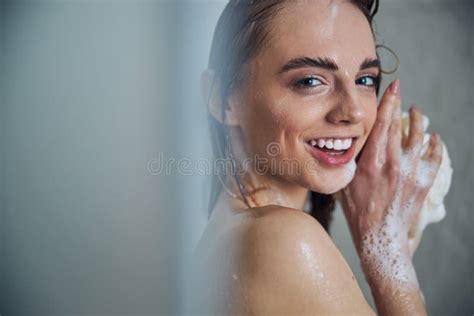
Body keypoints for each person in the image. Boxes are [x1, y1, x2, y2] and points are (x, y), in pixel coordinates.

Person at [189, 0, 443, 315]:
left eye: (365, 80)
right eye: (310, 81)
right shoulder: (283, 242)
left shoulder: (233, 233)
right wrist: (392, 262)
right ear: (223, 98)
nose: (352, 112)